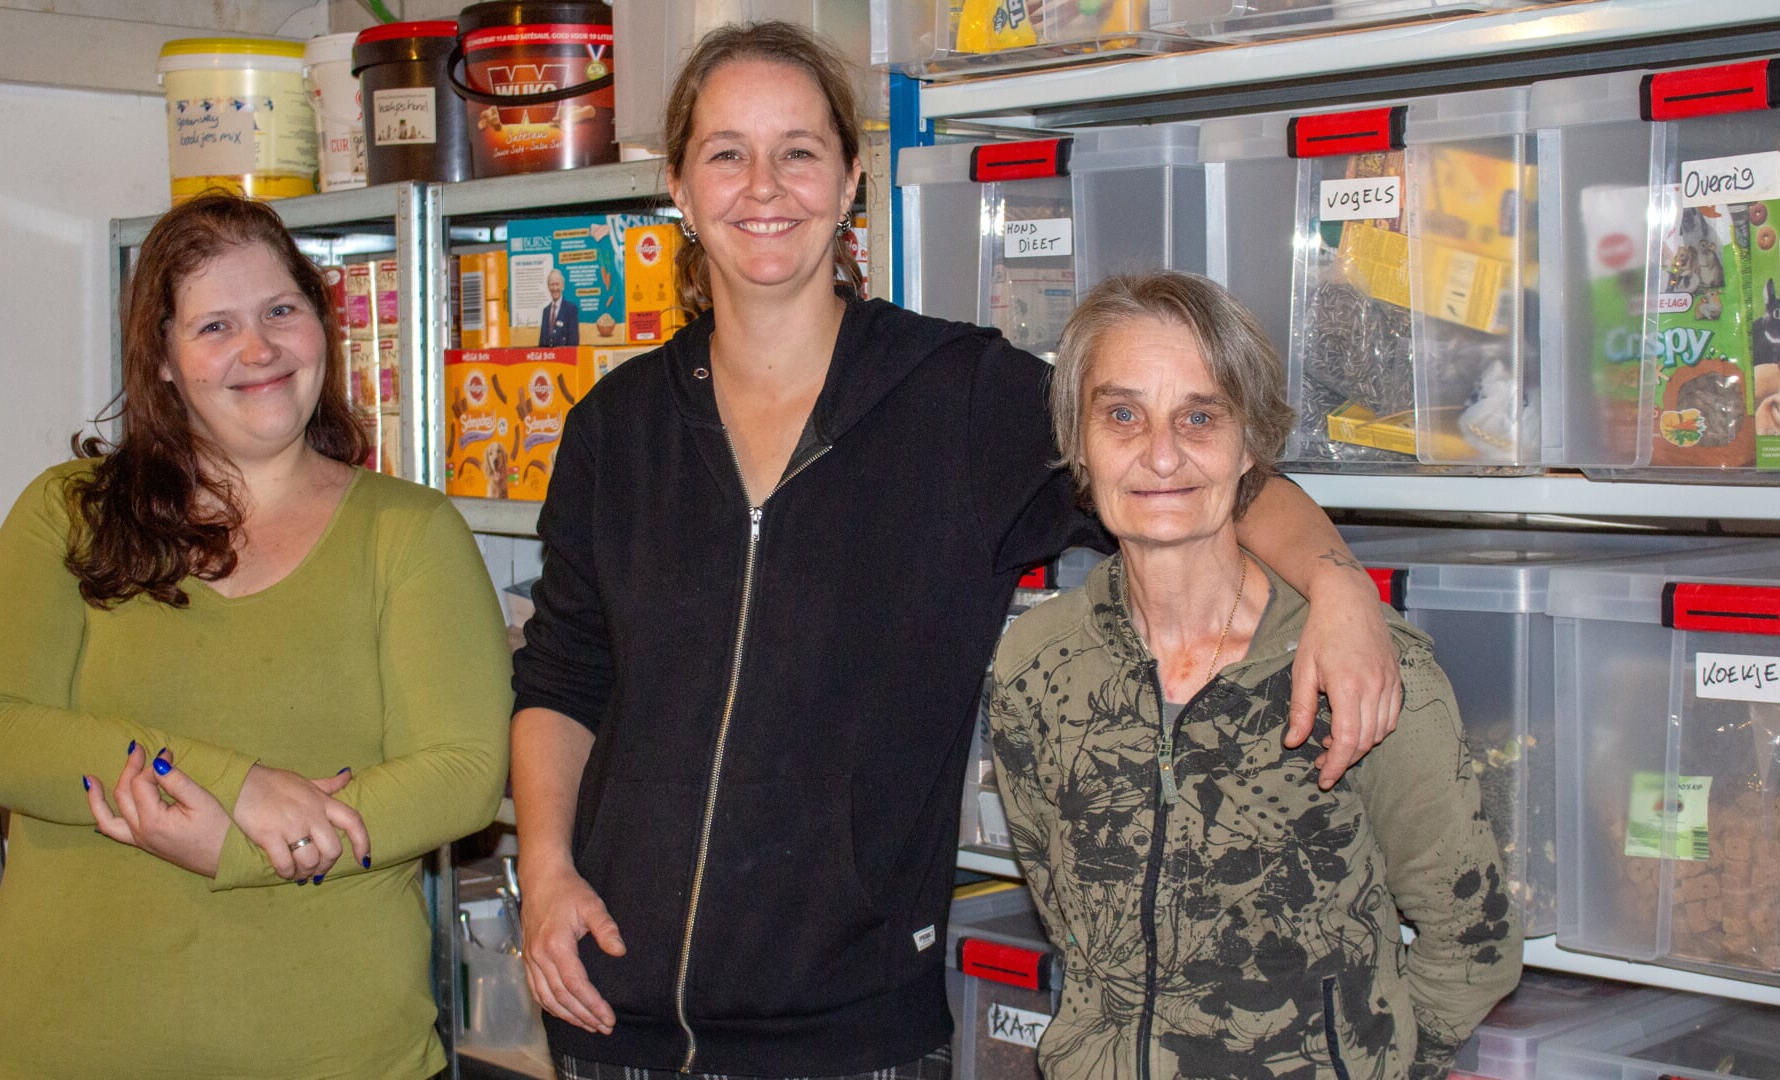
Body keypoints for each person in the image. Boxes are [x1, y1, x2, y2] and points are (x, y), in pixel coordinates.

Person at [509, 21, 1404, 1080]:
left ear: (849, 180)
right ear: (678, 185)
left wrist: (1338, 591)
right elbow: (565, 674)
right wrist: (548, 870)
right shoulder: (615, 428)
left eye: (798, 151)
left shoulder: (959, 398)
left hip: (849, 1031)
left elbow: (1215, 479)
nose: (763, 185)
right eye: (726, 152)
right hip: (613, 1016)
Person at [0, 193, 513, 1080]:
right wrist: (233, 787)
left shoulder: (410, 530)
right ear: (163, 361)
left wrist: (241, 851)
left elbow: (462, 775)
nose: (259, 349)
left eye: (281, 311)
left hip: (333, 1051)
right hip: (66, 1047)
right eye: (214, 326)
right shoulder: (70, 512)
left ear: (320, 325)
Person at [986, 272, 1521, 1080]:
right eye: (1121, 415)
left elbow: (1472, 938)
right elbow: (1073, 922)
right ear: (1079, 441)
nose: (1160, 454)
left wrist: (1379, 1064)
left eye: (1199, 417)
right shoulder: (1038, 663)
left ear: (1249, 447)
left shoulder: (1364, 669)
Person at [539, 267, 581, 346]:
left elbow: (573, 342)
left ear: (563, 286)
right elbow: (542, 342)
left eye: (557, 284)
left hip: (564, 357)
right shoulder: (546, 311)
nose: (555, 288)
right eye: (552, 284)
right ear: (548, 287)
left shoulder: (571, 309)